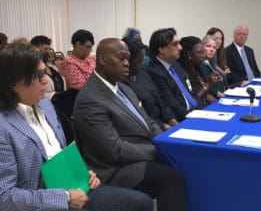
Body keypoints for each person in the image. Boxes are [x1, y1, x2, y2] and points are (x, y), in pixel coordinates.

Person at [0, 43, 154, 211]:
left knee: (142, 202)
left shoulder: (45, 105)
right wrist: (64, 198)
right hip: (43, 202)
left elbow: (61, 154)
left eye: (45, 72)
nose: (46, 80)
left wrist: (82, 172)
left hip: (72, 186)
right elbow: (5, 198)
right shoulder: (4, 126)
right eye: (38, 75)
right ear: (14, 83)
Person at [73, 38, 187, 211]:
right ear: (103, 60)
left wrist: (163, 142)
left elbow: (149, 121)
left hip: (137, 154)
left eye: (128, 58)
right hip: (114, 169)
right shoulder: (90, 99)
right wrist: (156, 151)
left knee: (184, 163)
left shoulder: (124, 88)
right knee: (172, 178)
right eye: (121, 58)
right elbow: (114, 150)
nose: (127, 63)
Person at [122, 36, 178, 131]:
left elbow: (161, 102)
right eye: (139, 61)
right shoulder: (122, 84)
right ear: (128, 61)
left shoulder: (143, 74)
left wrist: (173, 122)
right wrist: (163, 127)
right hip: (150, 129)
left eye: (143, 59)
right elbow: (141, 116)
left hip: (164, 124)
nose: (143, 63)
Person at [146, 28, 202, 122]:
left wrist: (201, 110)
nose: (180, 48)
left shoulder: (175, 64)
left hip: (195, 113)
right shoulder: (154, 72)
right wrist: (194, 118)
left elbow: (191, 91)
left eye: (179, 43)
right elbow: (171, 104)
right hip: (183, 119)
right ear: (161, 49)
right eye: (175, 44)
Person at [178, 36, 220, 105]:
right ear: (189, 54)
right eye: (198, 52)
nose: (203, 55)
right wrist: (208, 84)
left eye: (203, 52)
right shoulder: (183, 72)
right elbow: (192, 100)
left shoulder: (197, 67)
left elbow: (206, 95)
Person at [30, 35, 67, 99]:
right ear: (36, 51)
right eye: (45, 49)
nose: (49, 52)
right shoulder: (33, 70)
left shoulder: (53, 67)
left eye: (49, 49)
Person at [198, 35, 228, 99]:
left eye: (214, 47)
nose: (211, 49)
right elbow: (205, 85)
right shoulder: (200, 64)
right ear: (202, 47)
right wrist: (217, 93)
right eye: (208, 46)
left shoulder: (213, 65)